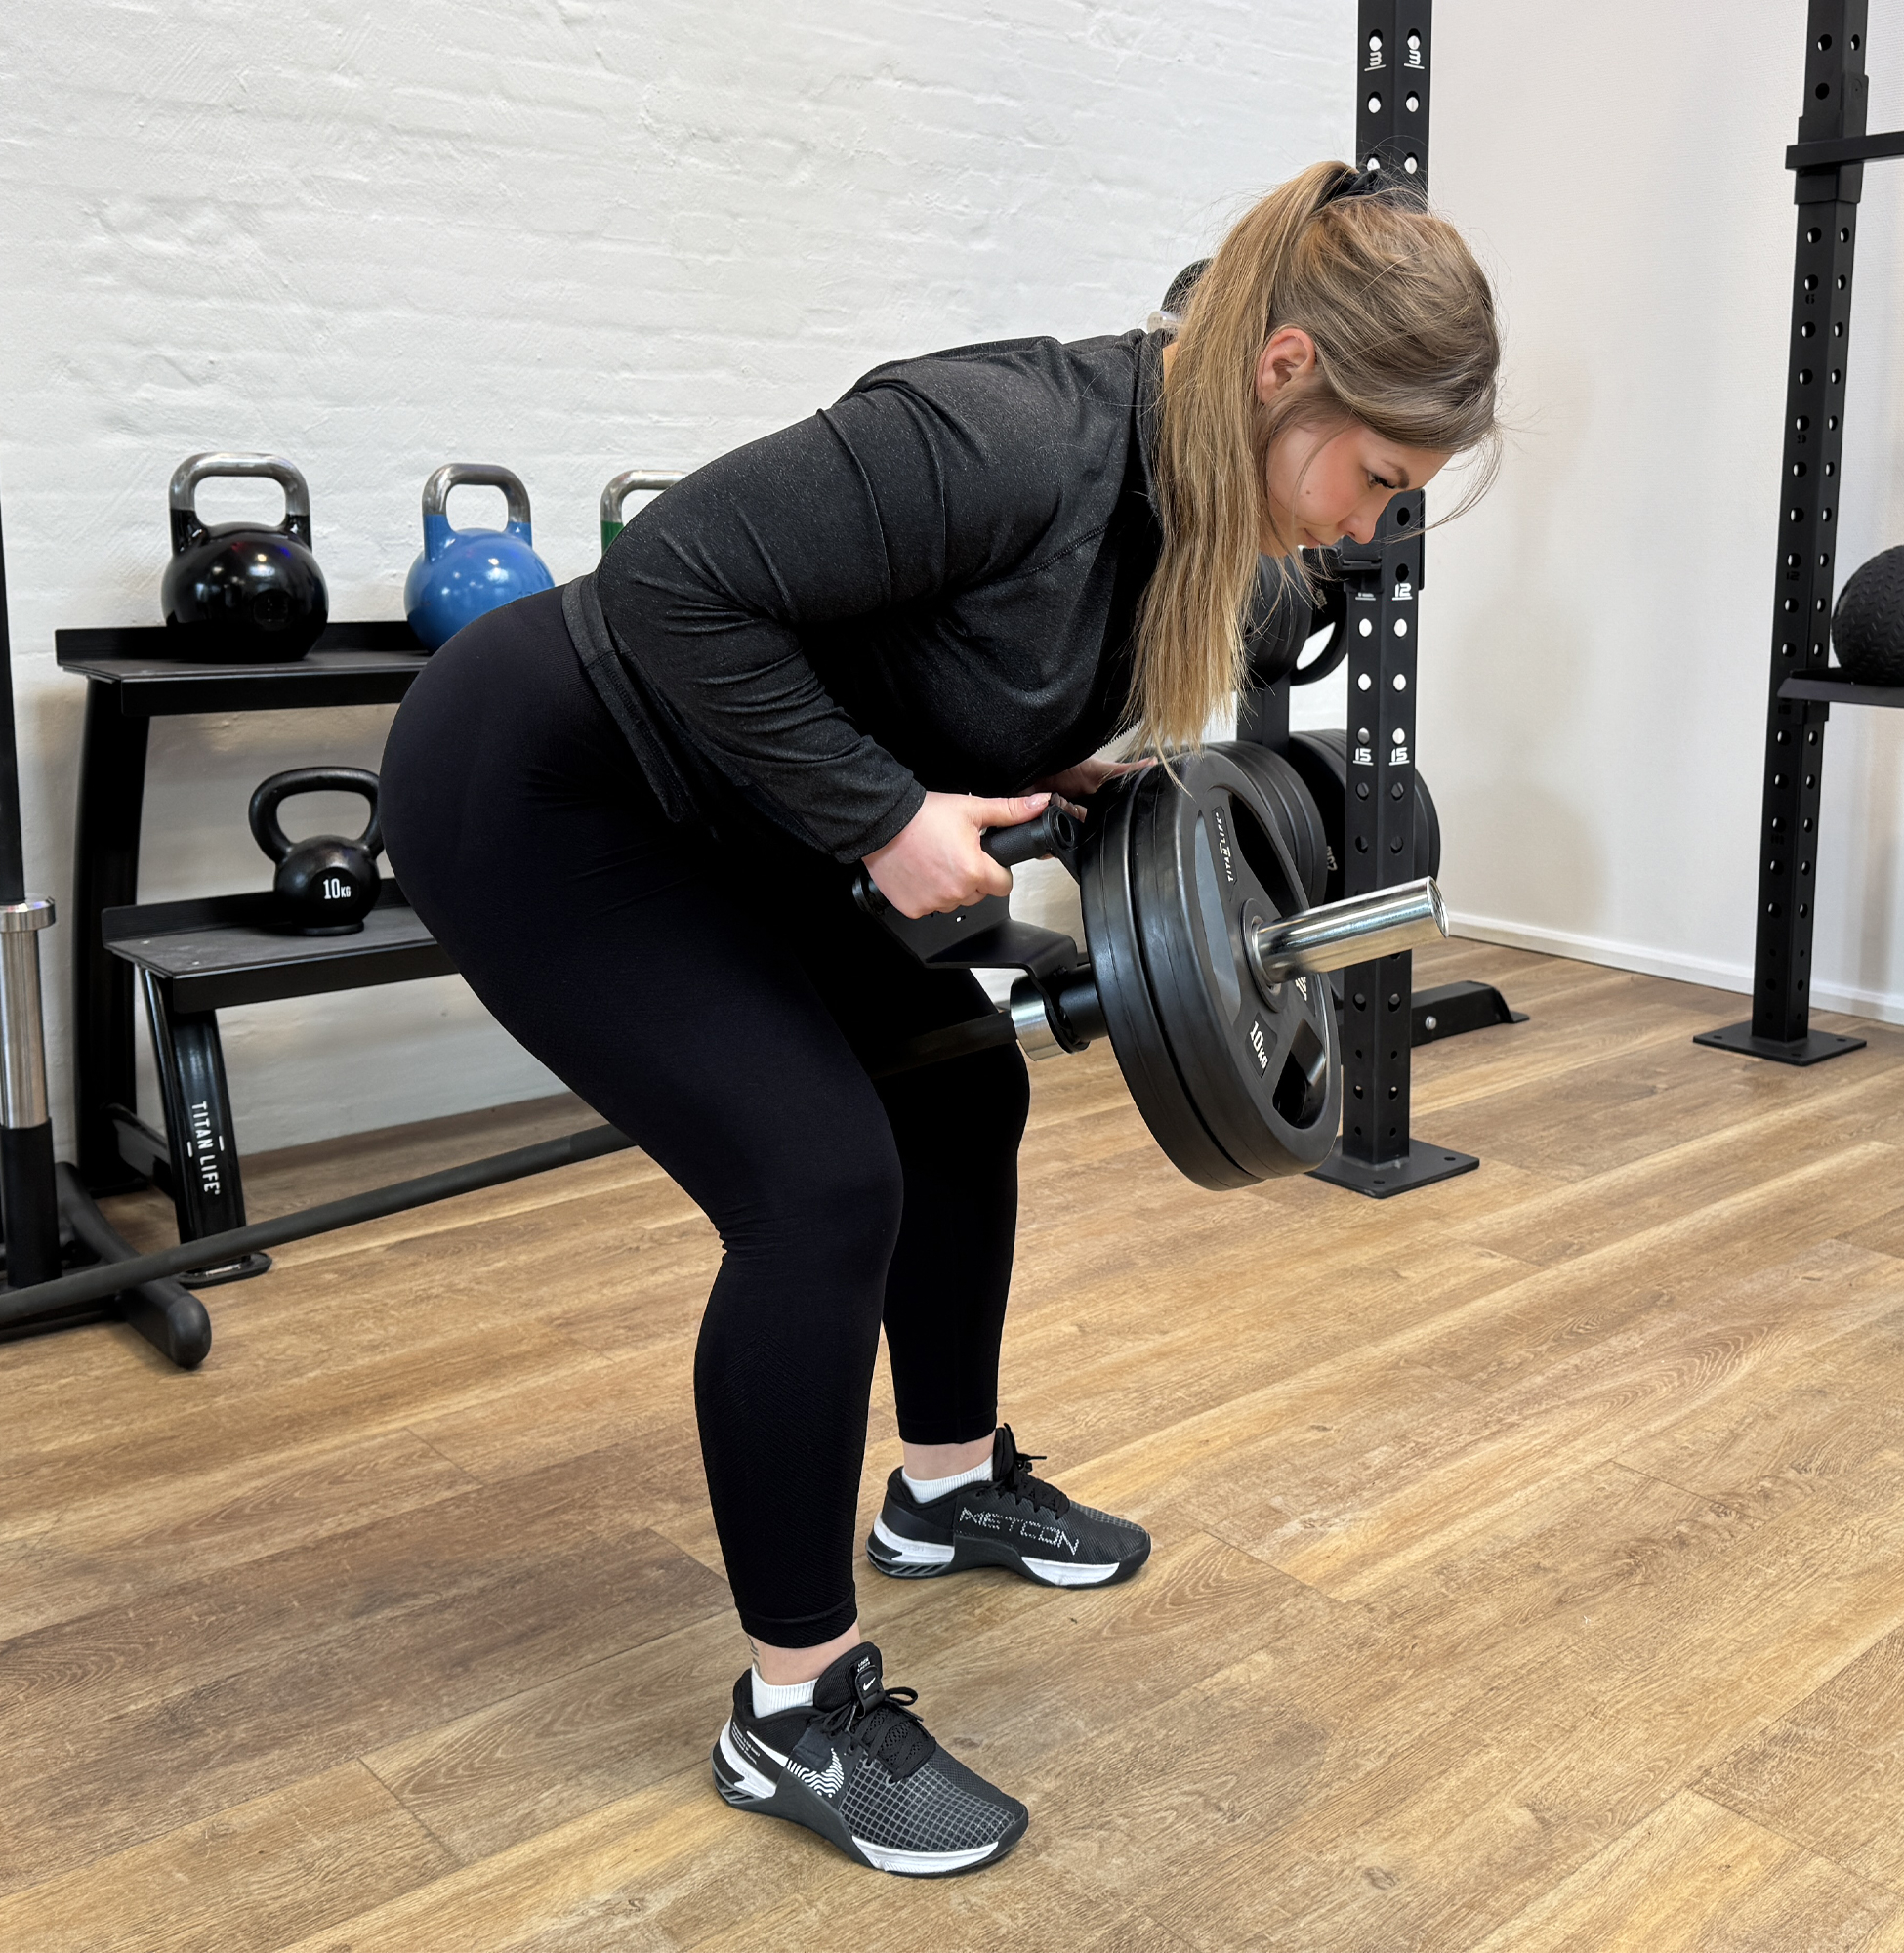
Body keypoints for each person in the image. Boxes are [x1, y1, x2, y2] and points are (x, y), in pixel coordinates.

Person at [381, 158, 1501, 1878]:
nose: (1366, 529)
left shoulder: (1192, 518)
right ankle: (793, 1708)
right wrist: (883, 816)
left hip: (737, 809)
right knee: (818, 1183)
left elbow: (926, 661)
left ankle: (944, 1486)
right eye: (1378, 479)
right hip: (546, 783)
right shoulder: (1004, 434)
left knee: (963, 1088)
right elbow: (673, 584)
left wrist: (1025, 768)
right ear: (1285, 369)